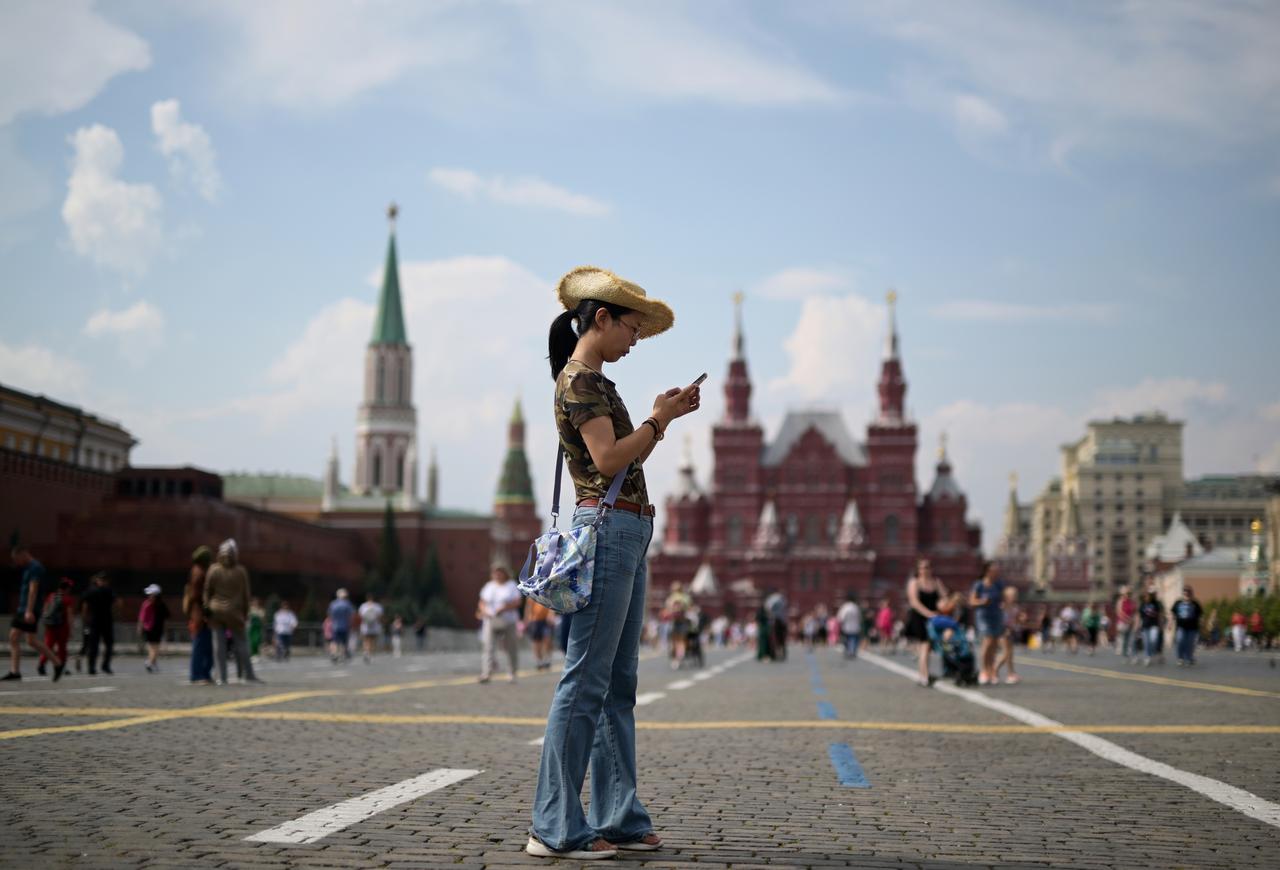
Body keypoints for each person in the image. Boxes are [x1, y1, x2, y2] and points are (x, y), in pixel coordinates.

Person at [527, 266, 699, 860]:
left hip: (628, 530)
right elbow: (607, 457)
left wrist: (659, 415)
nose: (634, 340)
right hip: (608, 533)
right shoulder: (580, 382)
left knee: (617, 684)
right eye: (631, 328)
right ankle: (554, 825)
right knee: (586, 680)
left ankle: (617, 815)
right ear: (601, 318)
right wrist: (661, 419)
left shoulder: (598, 382)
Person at [203, 539, 259, 684]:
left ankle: (221, 677)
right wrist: (246, 613)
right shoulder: (240, 571)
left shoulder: (213, 569)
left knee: (218, 645)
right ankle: (249, 675)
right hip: (235, 611)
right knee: (241, 643)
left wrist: (206, 608)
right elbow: (246, 596)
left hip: (216, 610)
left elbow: (207, 591)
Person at [6, 546, 64, 682]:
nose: (17, 563)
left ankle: (15, 671)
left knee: (14, 637)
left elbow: (33, 589)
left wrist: (29, 610)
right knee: (30, 640)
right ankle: (57, 663)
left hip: (27, 609)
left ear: (24, 554)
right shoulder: (28, 568)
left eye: (17, 559)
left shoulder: (35, 568)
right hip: (26, 608)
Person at [904, 559, 947, 687]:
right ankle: (925, 675)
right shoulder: (914, 582)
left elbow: (944, 597)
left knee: (925, 648)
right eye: (922, 567)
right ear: (918, 570)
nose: (925, 570)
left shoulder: (936, 582)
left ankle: (922, 675)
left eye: (927, 567)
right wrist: (929, 613)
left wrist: (942, 605)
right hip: (919, 618)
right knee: (925, 645)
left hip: (934, 619)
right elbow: (914, 602)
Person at [477, 564, 521, 683]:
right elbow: (482, 602)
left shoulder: (511, 585)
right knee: (488, 647)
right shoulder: (489, 586)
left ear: (505, 573)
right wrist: (484, 611)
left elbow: (517, 602)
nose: (498, 574)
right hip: (491, 620)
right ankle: (486, 673)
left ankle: (512, 672)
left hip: (508, 620)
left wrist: (504, 608)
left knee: (511, 647)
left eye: (500, 572)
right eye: (495, 572)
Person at [969, 561, 1005, 685]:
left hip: (996, 615)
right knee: (988, 641)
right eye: (994, 570)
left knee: (994, 645)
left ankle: (992, 671)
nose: (997, 572)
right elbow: (972, 601)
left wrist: (1004, 604)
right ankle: (984, 671)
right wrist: (982, 602)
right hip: (983, 616)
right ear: (987, 571)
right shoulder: (979, 585)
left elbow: (1004, 598)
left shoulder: (999, 584)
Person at [185, 547, 214, 684]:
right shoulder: (199, 572)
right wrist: (205, 609)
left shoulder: (197, 570)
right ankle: (197, 675)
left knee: (205, 645)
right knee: (201, 645)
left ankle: (204, 673)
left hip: (199, 613)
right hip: (200, 615)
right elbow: (196, 595)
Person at [37, 577, 75, 678]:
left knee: (48, 647)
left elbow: (45, 610)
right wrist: (71, 629)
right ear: (67, 588)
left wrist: (45, 622)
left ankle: (41, 665)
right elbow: (70, 615)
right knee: (62, 648)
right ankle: (60, 666)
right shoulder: (67, 599)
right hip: (63, 627)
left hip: (50, 626)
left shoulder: (51, 596)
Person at [81, 572, 117, 675]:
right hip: (102, 621)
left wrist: (85, 619)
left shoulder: (91, 590)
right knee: (103, 645)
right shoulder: (108, 591)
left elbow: (84, 606)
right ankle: (102, 666)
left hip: (97, 621)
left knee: (96, 645)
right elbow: (117, 604)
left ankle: (93, 667)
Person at [138, 584, 170, 673]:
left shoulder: (161, 605)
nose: (149, 596)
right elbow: (142, 618)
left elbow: (166, 618)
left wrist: (165, 628)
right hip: (149, 628)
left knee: (153, 647)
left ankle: (153, 663)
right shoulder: (147, 604)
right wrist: (140, 628)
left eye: (151, 594)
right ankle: (149, 662)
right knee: (154, 647)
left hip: (157, 628)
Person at [994, 585, 1021, 685]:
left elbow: (1016, 620)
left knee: (1010, 654)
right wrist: (1004, 629)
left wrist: (1020, 620)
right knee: (1006, 653)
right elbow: (999, 620)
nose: (1015, 597)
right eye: (1013, 595)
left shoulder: (1015, 607)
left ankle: (1010, 673)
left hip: (1010, 631)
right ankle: (995, 670)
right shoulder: (1002, 607)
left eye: (1016, 595)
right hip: (1002, 632)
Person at [1172, 586, 1202, 666]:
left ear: (1191, 594)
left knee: (1190, 643)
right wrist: (1170, 623)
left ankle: (1189, 658)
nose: (1186, 594)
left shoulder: (1195, 603)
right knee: (1180, 641)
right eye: (1185, 592)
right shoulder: (1178, 603)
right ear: (1183, 593)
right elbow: (1173, 614)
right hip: (1180, 627)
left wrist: (1202, 625)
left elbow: (1200, 615)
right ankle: (1180, 658)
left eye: (1188, 592)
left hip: (1192, 627)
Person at [524, 596, 554, 671]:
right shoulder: (532, 592)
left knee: (547, 639)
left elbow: (552, 604)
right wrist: (527, 620)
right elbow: (528, 607)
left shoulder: (547, 591)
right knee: (536, 641)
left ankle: (547, 659)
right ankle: (539, 660)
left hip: (546, 620)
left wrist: (551, 615)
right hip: (535, 620)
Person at [327, 589, 354, 663]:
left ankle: (334, 653)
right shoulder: (347, 604)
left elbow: (330, 615)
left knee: (334, 641)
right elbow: (350, 615)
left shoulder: (333, 604)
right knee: (344, 642)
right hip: (345, 625)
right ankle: (342, 655)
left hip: (335, 625)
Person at [1139, 591, 1164, 667]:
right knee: (1146, 642)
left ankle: (1153, 652)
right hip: (1145, 625)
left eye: (1149, 596)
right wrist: (1137, 626)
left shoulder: (1155, 604)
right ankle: (1147, 657)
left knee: (1153, 639)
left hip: (1154, 625)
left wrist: (1160, 625)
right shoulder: (1142, 604)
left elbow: (1159, 615)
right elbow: (1139, 616)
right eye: (1146, 596)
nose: (1147, 598)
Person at [359, 594, 384, 664]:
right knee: (373, 641)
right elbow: (380, 617)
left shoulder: (363, 606)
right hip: (375, 626)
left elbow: (361, 617)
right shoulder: (377, 606)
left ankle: (366, 652)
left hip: (365, 626)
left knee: (366, 640)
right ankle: (370, 654)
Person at [1114, 586, 1137, 662]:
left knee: (1132, 639)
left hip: (1131, 623)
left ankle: (1133, 655)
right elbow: (1119, 612)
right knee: (1124, 640)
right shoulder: (1120, 601)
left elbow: (1135, 612)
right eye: (1126, 593)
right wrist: (1127, 620)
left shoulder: (1132, 601)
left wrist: (1134, 621)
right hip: (1123, 623)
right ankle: (1125, 656)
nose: (1128, 595)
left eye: (1129, 593)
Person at [836, 593, 861, 659]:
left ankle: (849, 651)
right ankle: (852, 651)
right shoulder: (856, 607)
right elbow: (859, 617)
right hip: (855, 626)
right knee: (853, 639)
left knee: (847, 639)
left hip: (846, 626)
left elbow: (840, 617)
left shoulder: (845, 607)